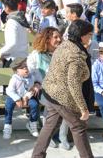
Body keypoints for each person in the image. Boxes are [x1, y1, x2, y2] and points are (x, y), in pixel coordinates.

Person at [32, 20, 95, 158]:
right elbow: (73, 83)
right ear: (82, 35)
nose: (91, 37)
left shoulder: (65, 45)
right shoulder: (76, 55)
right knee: (78, 127)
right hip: (62, 96)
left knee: (50, 125)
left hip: (51, 92)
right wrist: (83, 109)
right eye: (90, 34)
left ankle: (37, 156)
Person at [3, 58, 40, 139]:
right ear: (17, 70)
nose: (25, 69)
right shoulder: (15, 78)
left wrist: (26, 97)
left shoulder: (31, 77)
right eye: (22, 68)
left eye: (26, 67)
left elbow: (31, 90)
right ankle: (7, 125)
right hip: (14, 96)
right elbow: (9, 91)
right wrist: (17, 99)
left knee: (35, 104)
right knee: (8, 105)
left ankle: (32, 123)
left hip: (27, 97)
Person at [0, 0, 30, 66]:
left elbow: (12, 43)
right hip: (23, 56)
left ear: (7, 8)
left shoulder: (11, 22)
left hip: (13, 59)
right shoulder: (21, 18)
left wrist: (1, 52)